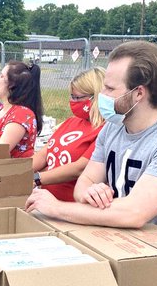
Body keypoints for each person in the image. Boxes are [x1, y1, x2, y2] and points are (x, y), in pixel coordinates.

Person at [25, 41, 157, 232]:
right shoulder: (112, 128)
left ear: (138, 93)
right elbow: (83, 183)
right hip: (112, 235)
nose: (101, 95)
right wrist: (90, 193)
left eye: (110, 89)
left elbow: (134, 213)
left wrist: (56, 208)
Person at [32, 67, 107, 201]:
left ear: (95, 97)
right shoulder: (71, 122)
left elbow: (80, 168)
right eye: (71, 96)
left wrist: (37, 178)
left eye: (77, 97)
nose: (72, 102)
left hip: (70, 204)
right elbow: (45, 153)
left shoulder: (105, 130)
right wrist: (17, 172)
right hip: (46, 200)